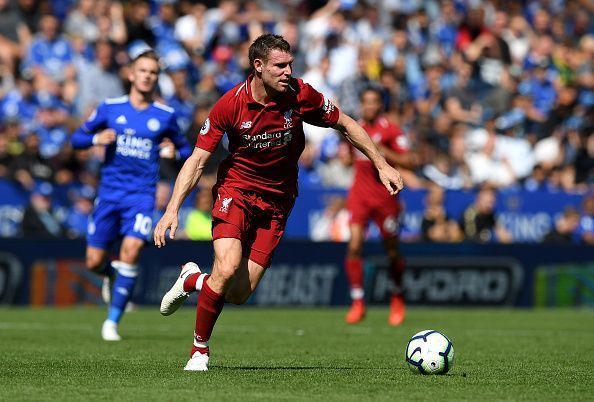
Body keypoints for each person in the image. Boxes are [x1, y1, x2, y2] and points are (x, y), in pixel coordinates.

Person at [153, 34, 403, 371]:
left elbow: (345, 123)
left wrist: (381, 163)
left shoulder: (301, 95)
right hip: (236, 191)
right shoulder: (231, 104)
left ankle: (192, 280)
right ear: (258, 66)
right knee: (226, 268)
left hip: (279, 199)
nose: (288, 72)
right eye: (280, 66)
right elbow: (198, 160)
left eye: (290, 65)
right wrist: (172, 209)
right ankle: (200, 351)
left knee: (239, 293)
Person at [71, 49, 192, 341]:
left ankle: (112, 321)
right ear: (131, 74)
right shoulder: (110, 108)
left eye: (153, 72)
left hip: (141, 196)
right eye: (143, 71)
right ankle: (109, 275)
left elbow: (188, 151)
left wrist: (175, 152)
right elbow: (77, 139)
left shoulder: (165, 115)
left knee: (132, 250)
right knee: (93, 261)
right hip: (109, 194)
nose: (148, 76)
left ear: (157, 78)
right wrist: (96, 139)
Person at [343, 87, 413, 326]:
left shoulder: (390, 129)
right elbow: (348, 159)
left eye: (374, 101)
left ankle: (397, 297)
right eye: (367, 102)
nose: (370, 106)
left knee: (392, 250)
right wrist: (345, 157)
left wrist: (385, 153)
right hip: (359, 196)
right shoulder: (354, 128)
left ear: (380, 105)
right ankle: (358, 301)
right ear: (362, 105)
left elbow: (410, 160)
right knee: (354, 245)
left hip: (386, 198)